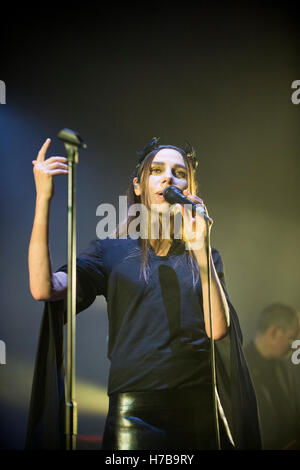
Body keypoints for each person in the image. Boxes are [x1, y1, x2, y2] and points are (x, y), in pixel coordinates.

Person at [26, 136, 261, 450]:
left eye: (180, 173)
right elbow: (44, 288)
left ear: (190, 189)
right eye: (158, 170)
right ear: (138, 186)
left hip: (198, 408)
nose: (168, 178)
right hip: (134, 412)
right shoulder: (110, 251)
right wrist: (43, 199)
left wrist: (202, 254)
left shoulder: (204, 254)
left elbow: (218, 330)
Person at [244, 303, 300, 449]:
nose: (294, 344)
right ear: (274, 332)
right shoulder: (241, 368)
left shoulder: (284, 367)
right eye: (291, 338)